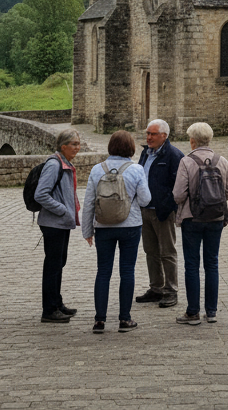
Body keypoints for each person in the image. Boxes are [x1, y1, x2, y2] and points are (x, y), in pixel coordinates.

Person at [81, 130, 153, 334]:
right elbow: (146, 200)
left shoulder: (97, 169)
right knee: (127, 271)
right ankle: (124, 319)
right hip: (130, 226)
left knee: (103, 271)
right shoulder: (136, 169)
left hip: (103, 226)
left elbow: (89, 203)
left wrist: (87, 230)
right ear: (130, 148)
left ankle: (99, 320)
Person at [172, 122, 228, 325]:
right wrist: (215, 200)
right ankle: (212, 312)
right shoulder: (221, 160)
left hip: (193, 218)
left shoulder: (186, 161)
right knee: (212, 263)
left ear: (192, 141)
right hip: (216, 217)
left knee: (191, 265)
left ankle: (193, 312)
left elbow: (178, 194)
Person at [134, 119, 185, 310]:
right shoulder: (145, 153)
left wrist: (168, 205)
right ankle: (156, 288)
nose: (148, 137)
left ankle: (171, 291)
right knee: (151, 252)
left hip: (162, 212)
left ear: (164, 135)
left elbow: (180, 185)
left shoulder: (174, 155)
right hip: (144, 211)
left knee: (167, 252)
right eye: (147, 133)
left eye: (152, 134)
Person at [35, 128, 83, 323]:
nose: (77, 148)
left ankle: (57, 303)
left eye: (78, 144)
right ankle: (49, 310)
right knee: (53, 266)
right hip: (54, 223)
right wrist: (63, 210)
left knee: (58, 264)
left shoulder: (65, 163)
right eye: (74, 144)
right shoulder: (54, 165)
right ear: (63, 147)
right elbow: (41, 194)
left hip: (61, 223)